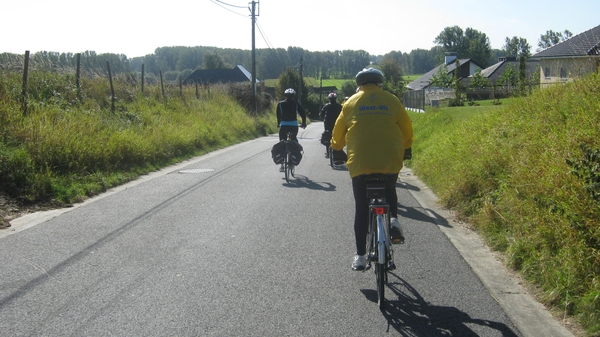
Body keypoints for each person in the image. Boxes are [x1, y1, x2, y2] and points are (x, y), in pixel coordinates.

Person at [330, 68, 413, 271]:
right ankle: (393, 219)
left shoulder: (350, 103)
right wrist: (406, 146)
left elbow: (338, 134)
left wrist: (337, 148)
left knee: (361, 208)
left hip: (361, 163)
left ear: (360, 85)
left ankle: (360, 256)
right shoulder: (392, 100)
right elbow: (406, 128)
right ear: (379, 83)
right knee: (390, 187)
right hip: (389, 160)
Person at [276, 88, 307, 172]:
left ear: (285, 95)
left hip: (284, 125)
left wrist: (279, 123)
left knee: (282, 142)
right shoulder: (296, 104)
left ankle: (282, 165)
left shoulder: (280, 104)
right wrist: (304, 122)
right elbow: (302, 113)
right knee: (293, 140)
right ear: (293, 96)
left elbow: (278, 116)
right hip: (293, 125)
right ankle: (293, 160)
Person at [319, 92, 342, 157]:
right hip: (336, 123)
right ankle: (337, 151)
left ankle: (328, 152)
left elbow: (322, 114)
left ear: (329, 99)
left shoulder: (326, 106)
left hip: (327, 123)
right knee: (337, 135)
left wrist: (324, 118)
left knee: (327, 135)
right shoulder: (339, 106)